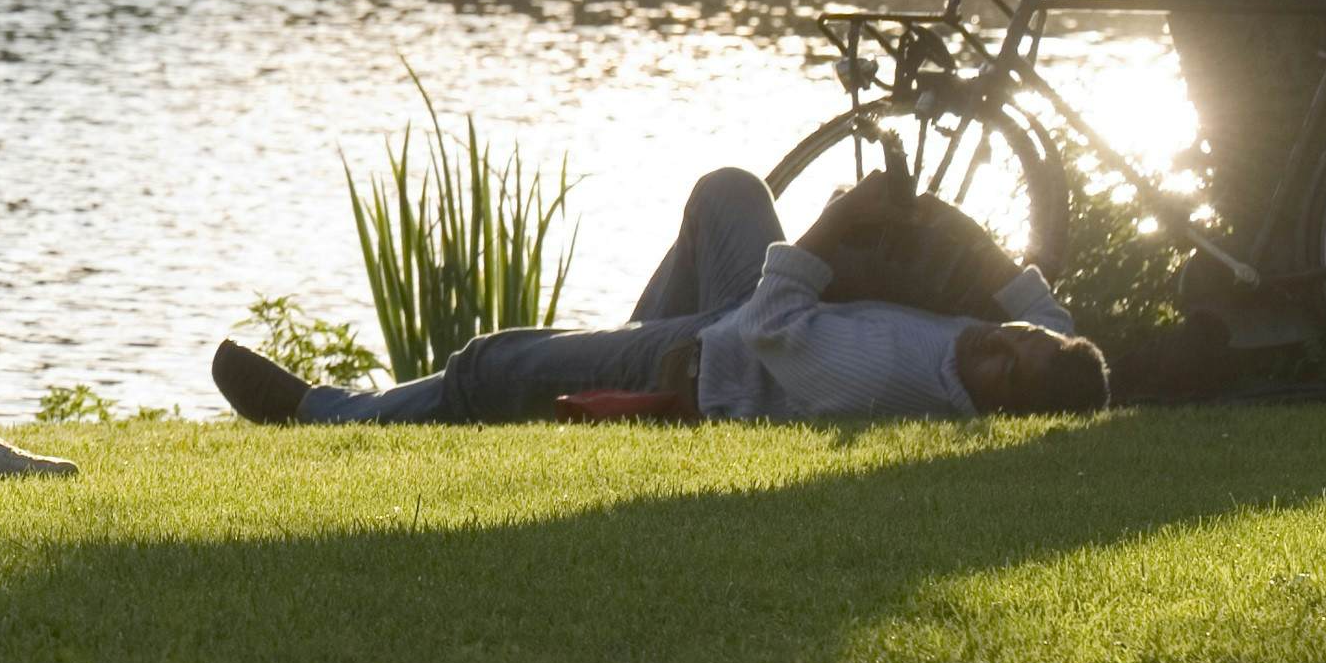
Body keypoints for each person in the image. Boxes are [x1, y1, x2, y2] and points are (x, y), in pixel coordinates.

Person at [210, 166, 1110, 426]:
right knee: (726, 194)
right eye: (1010, 340)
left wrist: (838, 224)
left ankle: (331, 416)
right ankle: (612, 364)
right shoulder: (1028, 354)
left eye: (1000, 365)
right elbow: (1047, 316)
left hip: (718, 357)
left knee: (493, 366)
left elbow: (767, 325)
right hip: (755, 327)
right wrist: (968, 239)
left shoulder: (886, 373)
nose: (991, 343)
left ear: (1003, 407)